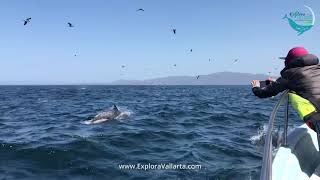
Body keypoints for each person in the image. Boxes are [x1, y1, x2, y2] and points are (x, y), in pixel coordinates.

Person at [251, 47, 320, 134]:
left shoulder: (290, 74)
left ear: (289, 62)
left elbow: (264, 93)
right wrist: (278, 82)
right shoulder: (317, 69)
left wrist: (255, 87)